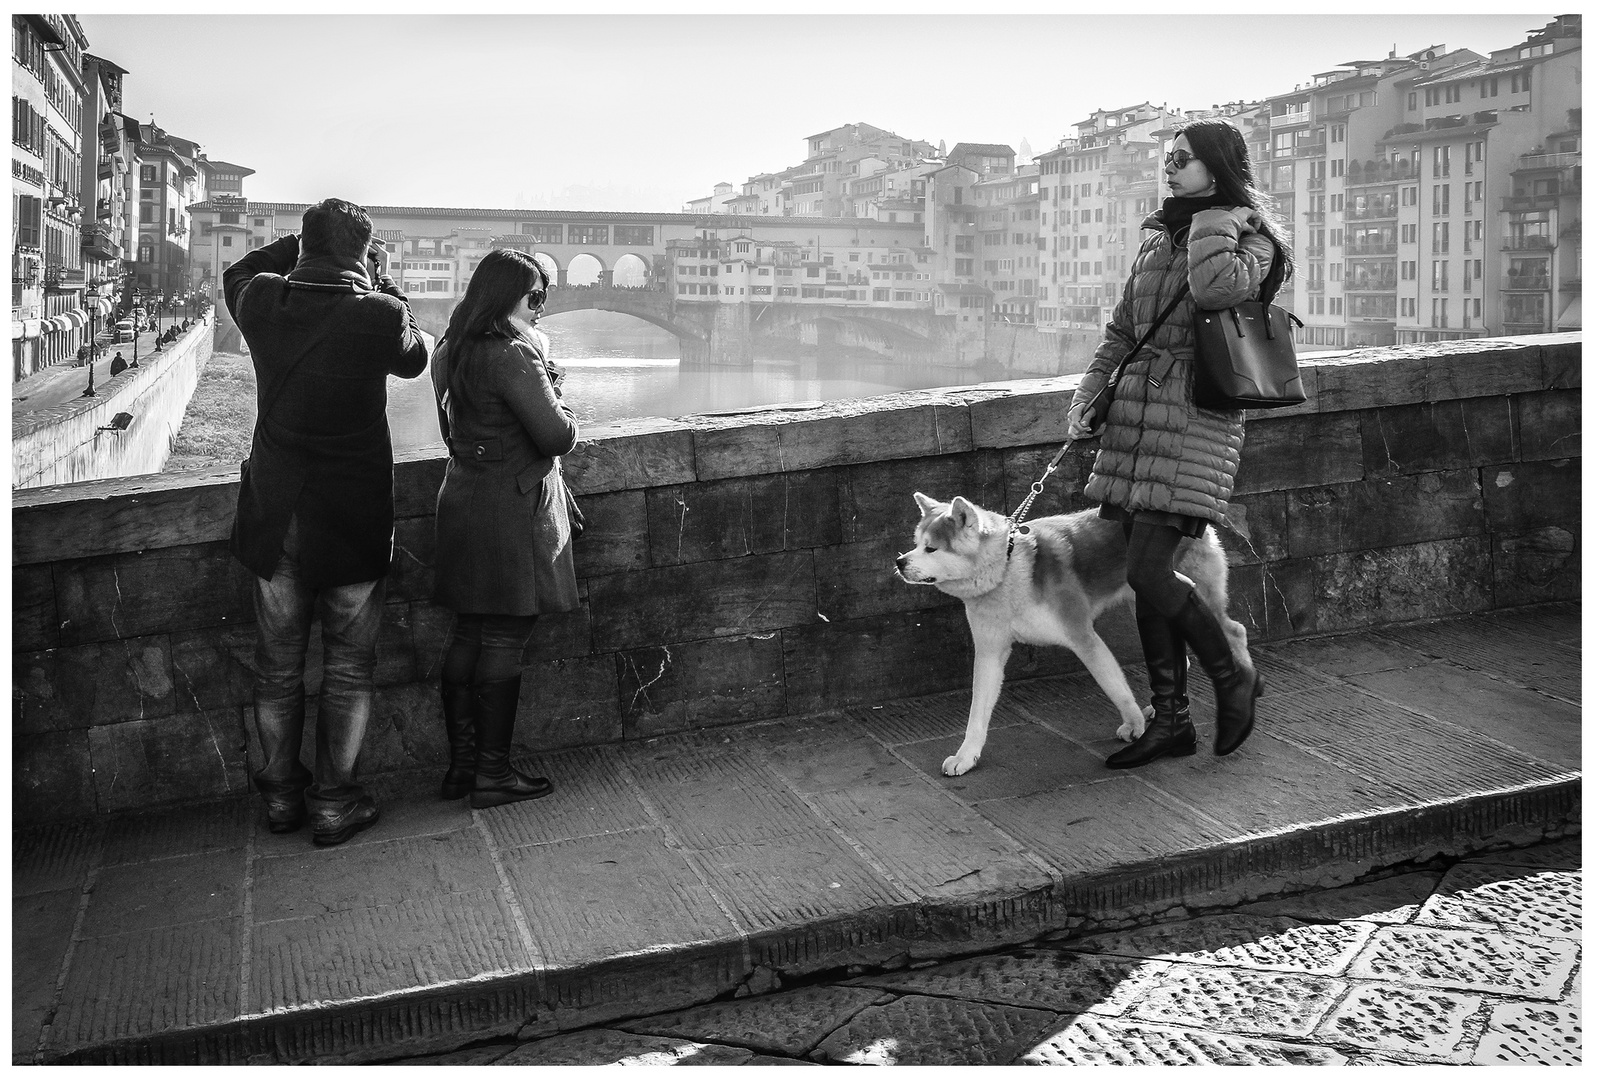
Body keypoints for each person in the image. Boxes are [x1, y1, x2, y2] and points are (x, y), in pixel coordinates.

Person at [1065, 118, 1293, 770]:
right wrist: (1088, 394)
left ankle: (1230, 677)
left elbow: (1213, 289)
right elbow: (1122, 328)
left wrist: (1219, 214)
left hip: (1194, 422)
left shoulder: (1248, 241)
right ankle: (1170, 722)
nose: (1169, 168)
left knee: (1145, 571)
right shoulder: (1160, 236)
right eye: (1167, 159)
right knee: (1147, 579)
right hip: (1136, 425)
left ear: (1217, 168)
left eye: (1184, 160)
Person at [225, 197, 430, 845]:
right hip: (351, 513)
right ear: (362, 252)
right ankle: (335, 803)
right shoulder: (379, 312)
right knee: (348, 666)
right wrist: (382, 275)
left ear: (304, 243)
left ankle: (282, 796)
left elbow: (240, 270)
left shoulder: (261, 300)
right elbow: (416, 357)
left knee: (276, 665)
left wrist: (301, 243)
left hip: (276, 511)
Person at [429, 249, 581, 809]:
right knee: (505, 635)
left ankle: (463, 768)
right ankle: (492, 774)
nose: (541, 308)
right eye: (535, 297)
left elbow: (453, 431)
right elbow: (557, 436)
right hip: (509, 511)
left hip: (464, 497)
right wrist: (556, 388)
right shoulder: (511, 354)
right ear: (508, 296)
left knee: (469, 631)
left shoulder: (451, 349)